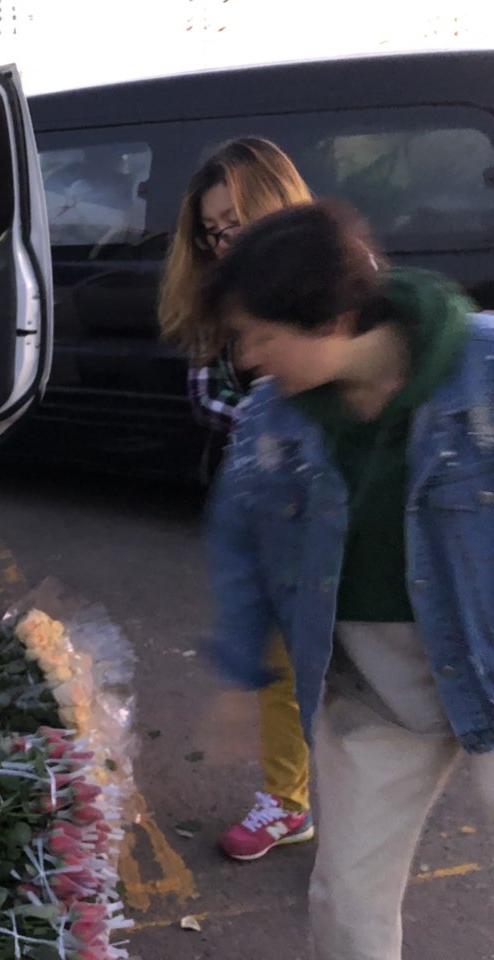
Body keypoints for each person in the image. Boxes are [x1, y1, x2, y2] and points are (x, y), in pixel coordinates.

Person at [203, 199, 494, 959]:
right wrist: (238, 672)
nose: (249, 359)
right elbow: (239, 545)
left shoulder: (484, 369)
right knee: (347, 903)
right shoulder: (273, 420)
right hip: (374, 694)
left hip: (488, 663)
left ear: (333, 321)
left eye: (262, 336)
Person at [156, 136, 316, 860]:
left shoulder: (340, 283)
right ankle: (289, 800)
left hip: (340, 519)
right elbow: (211, 398)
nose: (224, 244)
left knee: (361, 682)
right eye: (213, 232)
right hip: (269, 512)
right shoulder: (219, 303)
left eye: (236, 224)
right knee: (280, 667)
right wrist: (266, 420)